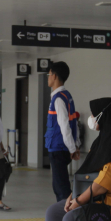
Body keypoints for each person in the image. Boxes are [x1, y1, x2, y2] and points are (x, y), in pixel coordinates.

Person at [44, 61, 81, 202]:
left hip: (58, 147)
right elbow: (74, 122)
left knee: (61, 188)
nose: (48, 77)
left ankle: (65, 218)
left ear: (54, 76)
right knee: (61, 184)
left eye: (49, 74)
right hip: (63, 147)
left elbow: (65, 125)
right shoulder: (67, 96)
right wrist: (75, 144)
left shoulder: (58, 99)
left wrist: (72, 147)